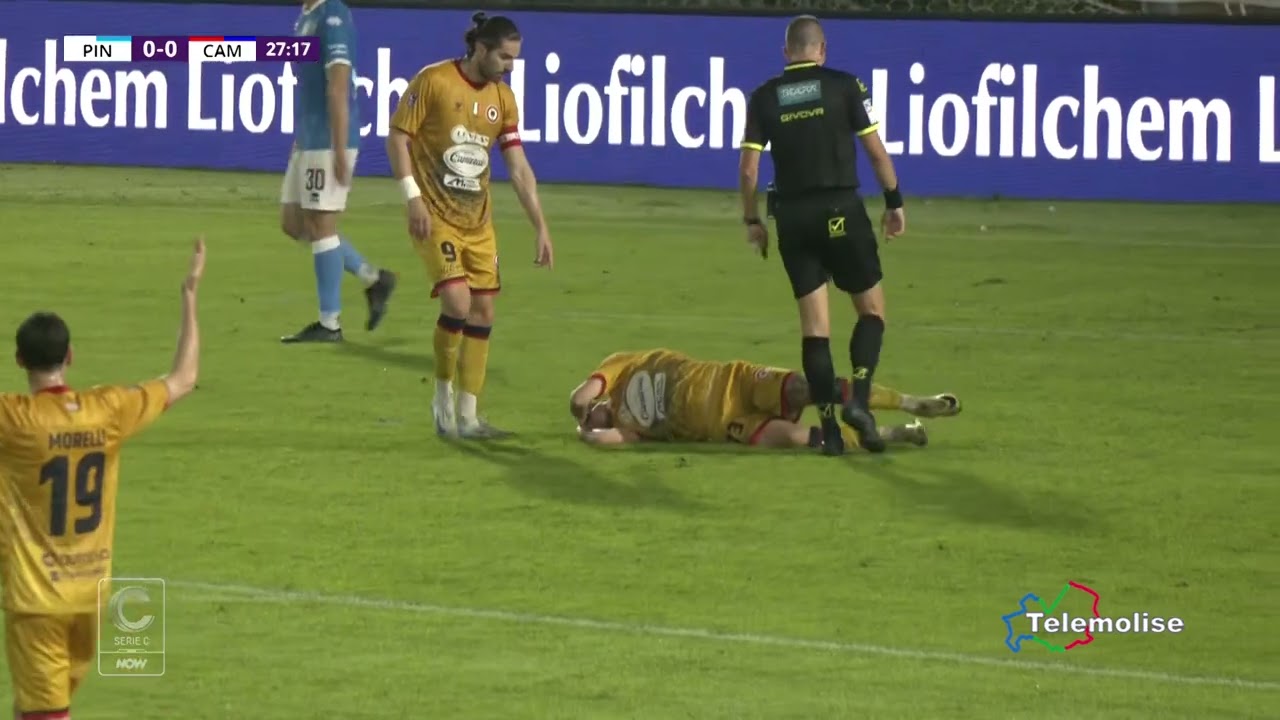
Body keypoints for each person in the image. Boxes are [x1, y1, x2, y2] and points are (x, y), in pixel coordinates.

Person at [1, 239, 205, 720]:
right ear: (70, 356)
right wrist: (190, 296)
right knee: (45, 708)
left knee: (46, 714)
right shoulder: (107, 410)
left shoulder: (15, 420)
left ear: (19, 360)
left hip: (37, 599)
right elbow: (184, 378)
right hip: (91, 595)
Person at [738, 15, 906, 456]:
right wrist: (894, 202)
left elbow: (749, 169)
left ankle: (830, 431)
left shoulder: (764, 97)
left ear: (786, 52)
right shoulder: (845, 86)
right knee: (872, 312)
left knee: (815, 329)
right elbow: (875, 151)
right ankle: (860, 400)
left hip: (792, 219)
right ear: (822, 49)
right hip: (840, 210)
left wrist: (752, 220)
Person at [386, 12, 554, 439]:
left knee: (484, 310)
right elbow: (398, 137)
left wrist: (540, 226)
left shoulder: (503, 99)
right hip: (435, 215)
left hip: (478, 223)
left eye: (514, 59)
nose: (510, 66)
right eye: (504, 57)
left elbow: (518, 168)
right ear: (480, 49)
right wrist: (412, 197)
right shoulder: (434, 81)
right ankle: (442, 396)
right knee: (458, 303)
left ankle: (470, 416)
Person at [279, 0, 398, 344]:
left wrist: (340, 146)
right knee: (293, 223)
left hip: (328, 140)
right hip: (309, 138)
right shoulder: (306, 16)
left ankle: (329, 323)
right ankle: (373, 278)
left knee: (321, 226)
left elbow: (339, 85)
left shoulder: (333, 16)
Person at [568, 349, 959, 449]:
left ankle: (911, 402)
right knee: (798, 438)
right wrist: (585, 434)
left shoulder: (617, 368)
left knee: (807, 388)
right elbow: (606, 441)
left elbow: (582, 394)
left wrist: (581, 407)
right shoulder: (631, 429)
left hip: (735, 380)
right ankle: (896, 434)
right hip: (730, 426)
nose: (592, 416)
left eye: (590, 413)